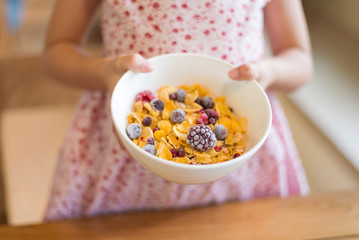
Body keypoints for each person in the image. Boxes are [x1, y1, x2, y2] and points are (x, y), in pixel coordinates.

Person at [43, 0, 312, 221]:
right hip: (119, 157)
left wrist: (265, 72)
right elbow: (56, 51)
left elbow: (299, 59)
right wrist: (105, 73)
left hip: (241, 164)